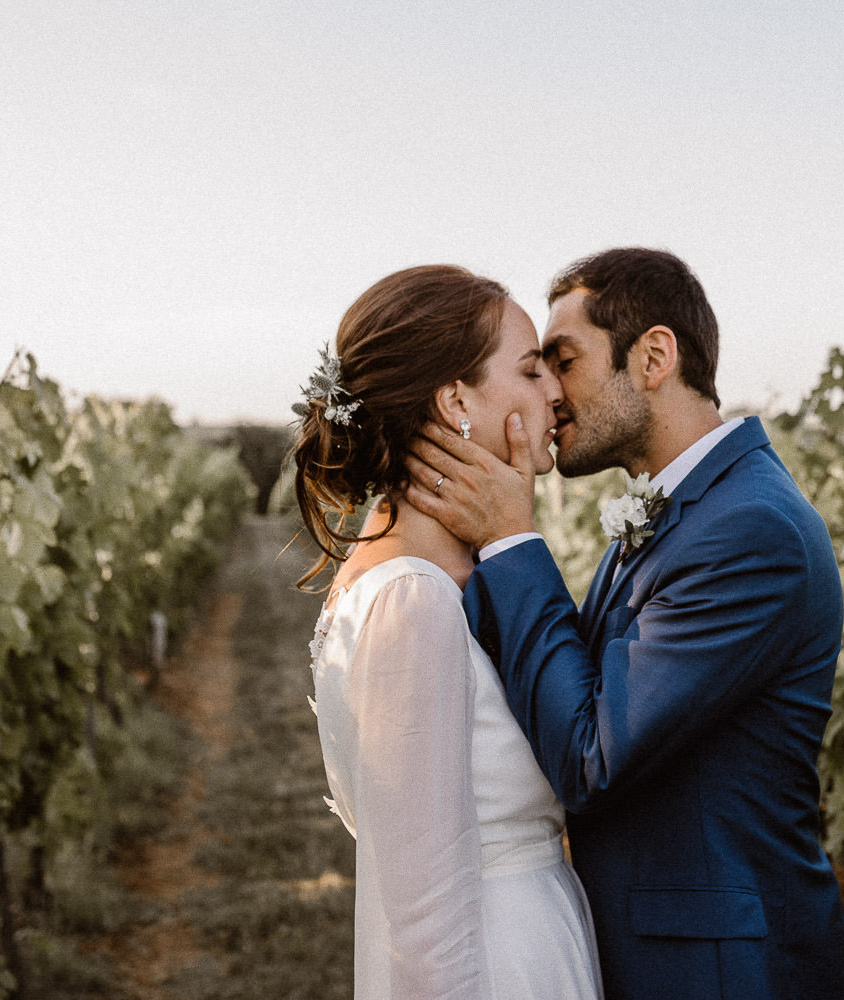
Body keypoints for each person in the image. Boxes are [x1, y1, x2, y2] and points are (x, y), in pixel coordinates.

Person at [404, 247, 844, 999]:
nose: (550, 393)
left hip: (723, 973)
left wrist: (511, 541)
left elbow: (592, 754)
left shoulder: (750, 529)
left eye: (564, 359)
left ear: (653, 356)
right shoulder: (689, 509)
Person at [292, 264, 603, 1000]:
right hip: (497, 964)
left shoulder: (438, 579)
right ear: (455, 398)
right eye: (530, 370)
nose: (554, 390)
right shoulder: (413, 599)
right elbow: (424, 923)